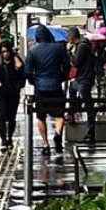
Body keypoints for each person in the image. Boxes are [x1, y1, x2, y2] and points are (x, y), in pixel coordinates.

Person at [24, 24, 71, 155]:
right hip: (56, 85)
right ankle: (57, 134)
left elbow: (27, 72)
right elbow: (66, 65)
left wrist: (34, 81)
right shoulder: (58, 48)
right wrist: (62, 77)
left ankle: (45, 144)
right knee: (59, 114)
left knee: (41, 117)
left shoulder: (33, 51)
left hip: (40, 87)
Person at [0, 41, 25, 151]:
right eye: (2, 52)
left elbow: (22, 77)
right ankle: (3, 139)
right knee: (2, 116)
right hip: (0, 94)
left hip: (13, 94)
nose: (5, 54)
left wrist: (18, 85)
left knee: (11, 117)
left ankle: (10, 137)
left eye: (7, 51)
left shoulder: (16, 62)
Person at [67, 27, 98, 145]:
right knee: (72, 89)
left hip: (85, 79)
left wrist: (69, 52)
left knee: (88, 103)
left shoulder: (82, 46)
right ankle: (72, 111)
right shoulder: (82, 45)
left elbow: (76, 62)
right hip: (81, 78)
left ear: (72, 36)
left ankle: (91, 131)